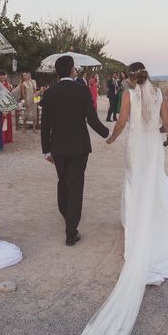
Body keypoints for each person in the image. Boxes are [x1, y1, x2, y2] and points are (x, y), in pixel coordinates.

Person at [69, 62, 168, 335]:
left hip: (135, 145)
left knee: (136, 188)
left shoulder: (130, 94)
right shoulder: (159, 94)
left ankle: (138, 232)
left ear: (131, 78)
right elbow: (167, 122)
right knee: (156, 185)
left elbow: (120, 123)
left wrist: (110, 138)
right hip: (152, 147)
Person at [40, 55, 109, 246]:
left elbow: (45, 125)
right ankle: (71, 231)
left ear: (57, 72)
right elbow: (92, 119)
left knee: (63, 181)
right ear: (72, 70)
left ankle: (66, 214)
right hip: (79, 146)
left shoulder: (49, 93)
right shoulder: (82, 90)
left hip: (58, 147)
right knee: (76, 185)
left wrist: (46, 150)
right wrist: (107, 135)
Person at [0, 72, 13, 144]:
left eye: (4, 75)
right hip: (1, 103)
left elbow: (9, 94)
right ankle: (3, 138)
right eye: (1, 75)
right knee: (2, 120)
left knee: (8, 121)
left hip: (7, 104)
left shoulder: (7, 84)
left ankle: (8, 137)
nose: (3, 77)